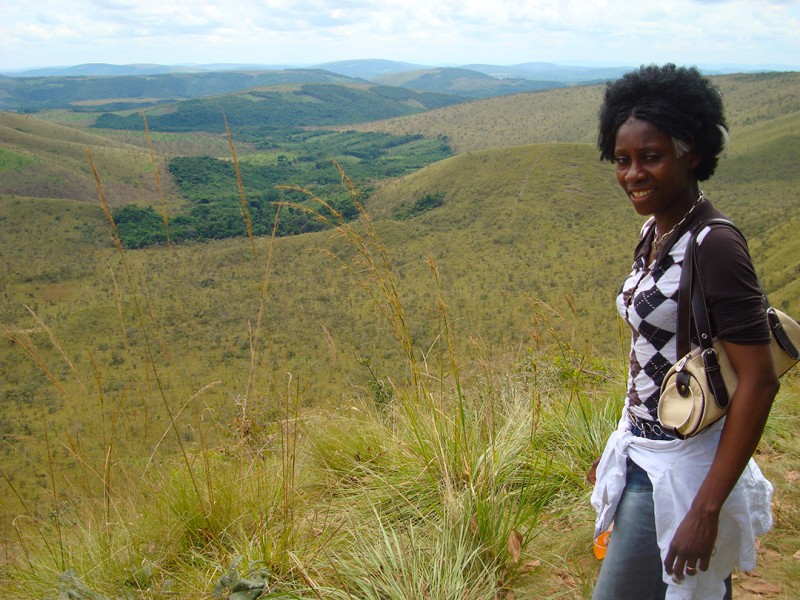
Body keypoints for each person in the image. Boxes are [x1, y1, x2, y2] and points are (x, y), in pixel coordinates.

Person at [589, 64, 780, 600]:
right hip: (643, 454)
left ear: (690, 152)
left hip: (684, 467)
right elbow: (649, 354)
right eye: (622, 160)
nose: (633, 175)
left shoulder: (714, 244)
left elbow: (760, 381)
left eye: (651, 157)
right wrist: (620, 447)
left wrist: (707, 508)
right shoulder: (655, 230)